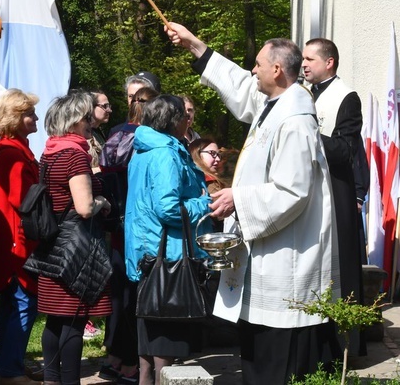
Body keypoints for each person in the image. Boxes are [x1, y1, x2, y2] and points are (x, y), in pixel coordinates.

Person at [166, 23, 340, 384]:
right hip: (265, 252)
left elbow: (293, 191)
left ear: (277, 69)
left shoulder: (294, 120)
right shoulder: (275, 103)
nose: (253, 70)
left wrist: (237, 198)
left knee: (275, 360)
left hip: (285, 259)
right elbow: (241, 86)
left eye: (258, 64)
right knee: (256, 353)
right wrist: (194, 45)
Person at [22, 90, 113, 385]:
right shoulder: (74, 155)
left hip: (53, 247)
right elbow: (85, 207)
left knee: (55, 318)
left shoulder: (50, 150)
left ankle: (52, 380)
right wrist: (103, 202)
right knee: (74, 318)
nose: (90, 123)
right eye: (86, 118)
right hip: (75, 250)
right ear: (73, 120)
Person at [124, 95, 213, 385]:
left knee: (148, 353)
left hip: (149, 251)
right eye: (184, 116)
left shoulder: (144, 148)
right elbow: (169, 209)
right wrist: (204, 203)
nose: (188, 120)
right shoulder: (164, 152)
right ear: (172, 120)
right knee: (165, 349)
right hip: (169, 256)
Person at [302, 38, 366, 356]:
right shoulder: (300, 95)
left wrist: (308, 133)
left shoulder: (346, 98)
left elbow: (345, 151)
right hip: (307, 194)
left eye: (310, 59)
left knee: (340, 272)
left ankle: (342, 349)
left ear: (329, 62)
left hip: (335, 193)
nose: (303, 64)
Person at [97, 86, 157, 384]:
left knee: (120, 295)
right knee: (139, 297)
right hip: (140, 226)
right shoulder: (148, 139)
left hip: (117, 225)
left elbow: (105, 171)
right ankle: (131, 363)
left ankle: (114, 358)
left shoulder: (116, 133)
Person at [0, 89, 41, 385]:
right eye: (29, 113)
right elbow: (24, 199)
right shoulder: (11, 151)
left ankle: (12, 364)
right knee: (22, 303)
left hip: (18, 239)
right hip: (18, 241)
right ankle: (11, 370)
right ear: (15, 118)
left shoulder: (16, 147)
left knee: (15, 304)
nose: (34, 117)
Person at [108, 73, 160, 137]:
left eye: (140, 96)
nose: (135, 100)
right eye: (131, 96)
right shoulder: (117, 133)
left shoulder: (163, 130)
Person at [88, 90, 112, 171]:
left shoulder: (98, 131)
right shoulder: (83, 135)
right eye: (105, 106)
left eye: (109, 106)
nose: (109, 110)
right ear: (90, 107)